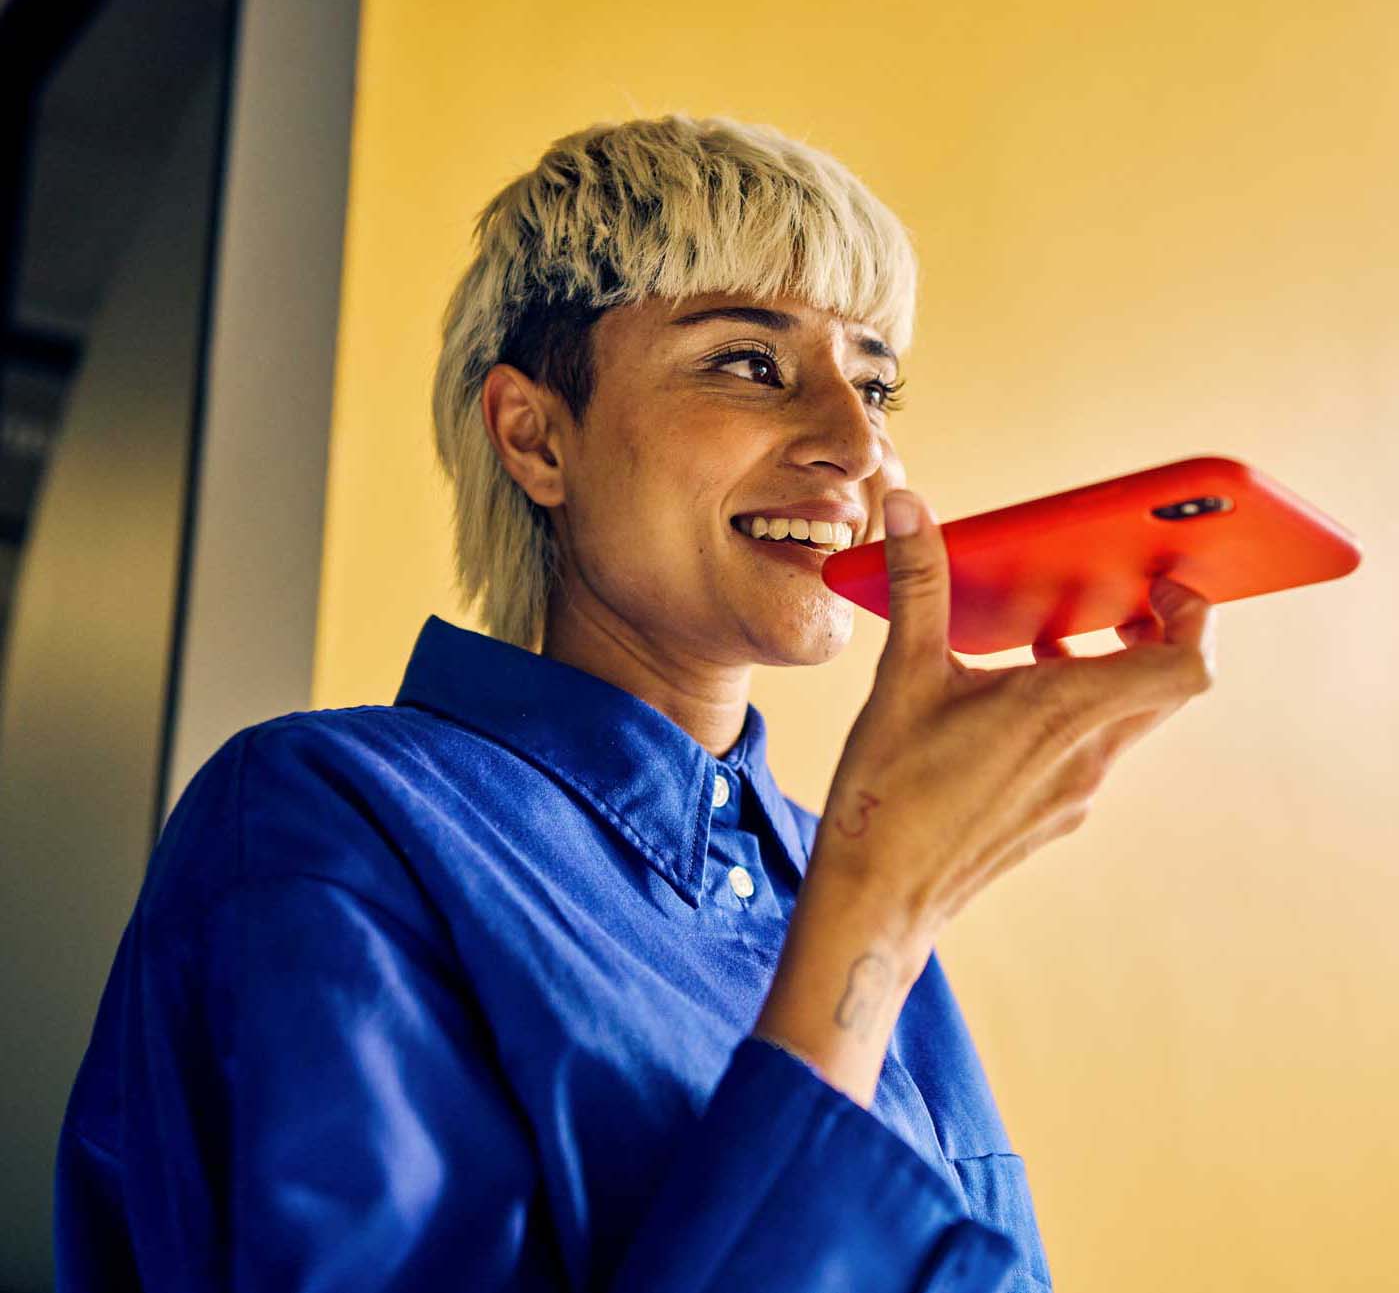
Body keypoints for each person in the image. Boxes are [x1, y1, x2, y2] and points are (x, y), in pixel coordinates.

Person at [54, 114, 1216, 1291]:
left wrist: (876, 899)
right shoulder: (325, 815)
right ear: (535, 437)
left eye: (875, 383)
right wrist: (873, 914)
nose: (856, 445)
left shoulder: (849, 869)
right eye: (749, 362)